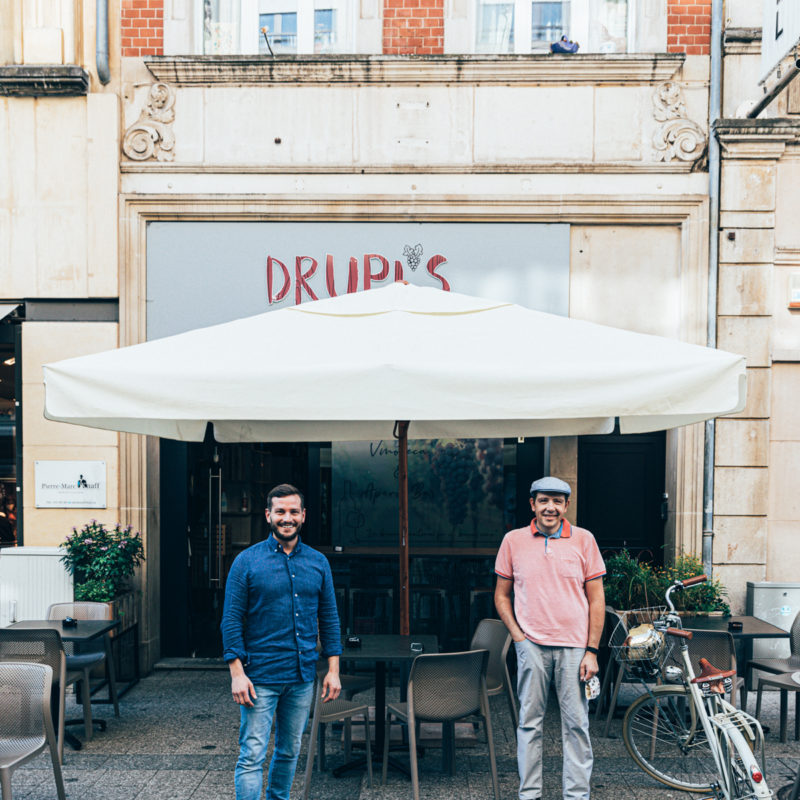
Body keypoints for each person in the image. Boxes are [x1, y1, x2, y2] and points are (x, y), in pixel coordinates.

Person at [221, 483, 342, 800]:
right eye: (280, 512)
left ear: (303, 515)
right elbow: (231, 620)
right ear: (268, 515)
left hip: (301, 677)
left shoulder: (318, 563)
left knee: (290, 752)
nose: (287, 518)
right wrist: (237, 673)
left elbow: (329, 618)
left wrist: (333, 670)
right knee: (252, 755)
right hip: (259, 678)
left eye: (293, 512)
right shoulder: (246, 562)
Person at [494, 476, 605, 800]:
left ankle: (577, 796)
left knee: (577, 725)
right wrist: (518, 638)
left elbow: (597, 599)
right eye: (544, 500)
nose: (550, 507)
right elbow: (501, 595)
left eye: (557, 501)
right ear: (532, 504)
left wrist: (592, 650)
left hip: (575, 648)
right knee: (529, 724)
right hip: (531, 645)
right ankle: (529, 794)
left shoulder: (584, 540)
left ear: (566, 505)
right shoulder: (513, 541)